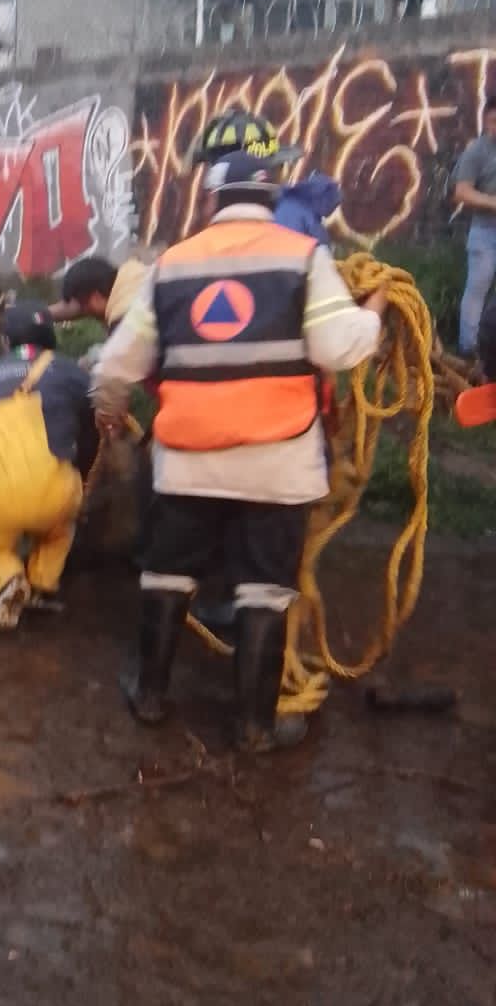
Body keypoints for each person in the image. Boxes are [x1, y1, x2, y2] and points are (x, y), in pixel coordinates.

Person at [92, 117, 387, 750]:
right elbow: (339, 347)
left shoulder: (170, 266)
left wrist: (108, 402)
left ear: (212, 201)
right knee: (265, 589)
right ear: (272, 194)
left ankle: (149, 696)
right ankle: (254, 727)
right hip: (278, 462)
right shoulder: (303, 257)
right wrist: (376, 312)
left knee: (167, 575)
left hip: (187, 460)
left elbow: (121, 361)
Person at [0, 302, 96, 630]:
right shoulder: (68, 371)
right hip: (53, 497)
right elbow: (95, 423)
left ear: (7, 340)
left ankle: (6, 576)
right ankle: (42, 585)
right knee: (59, 531)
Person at [452, 96, 496, 358]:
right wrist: (493, 202)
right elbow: (461, 192)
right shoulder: (476, 151)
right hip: (485, 233)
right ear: (486, 121)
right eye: (493, 122)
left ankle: (489, 349)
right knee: (477, 290)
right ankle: (468, 350)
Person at [274, 169, 341, 245]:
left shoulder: (289, 201)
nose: (333, 210)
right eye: (334, 205)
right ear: (323, 199)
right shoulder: (307, 213)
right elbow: (322, 240)